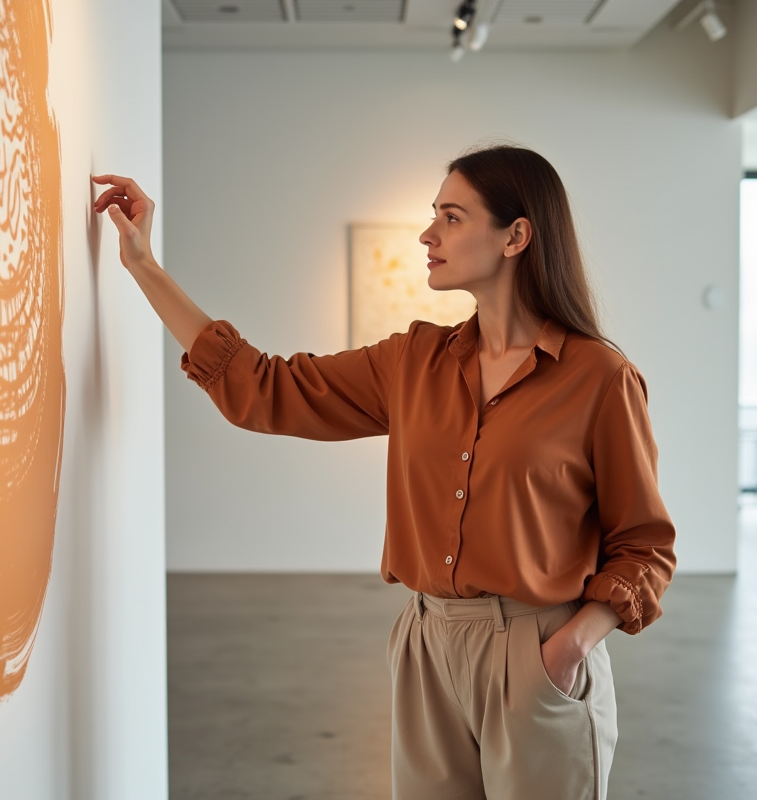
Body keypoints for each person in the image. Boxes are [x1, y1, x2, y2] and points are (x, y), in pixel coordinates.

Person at [93, 144, 676, 800]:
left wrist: (567, 649)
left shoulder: (598, 377)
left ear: (516, 236)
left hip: (540, 652)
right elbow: (264, 389)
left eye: (451, 218)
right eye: (434, 216)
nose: (428, 234)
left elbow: (645, 546)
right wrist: (143, 265)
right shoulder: (413, 362)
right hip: (427, 649)